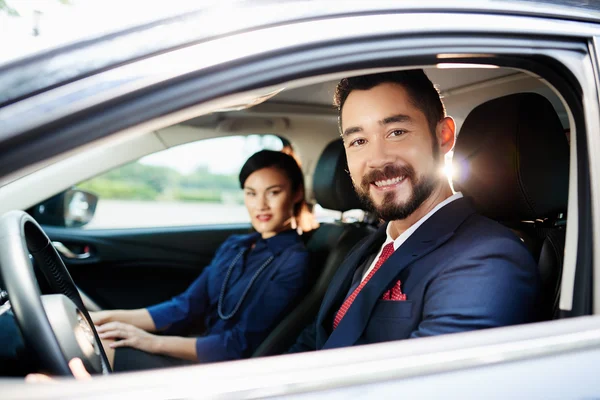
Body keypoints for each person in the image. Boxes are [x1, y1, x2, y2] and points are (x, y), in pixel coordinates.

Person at [287, 69, 541, 352]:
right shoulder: (371, 244)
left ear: (443, 136)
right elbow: (318, 337)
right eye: (359, 141)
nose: (377, 160)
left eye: (396, 132)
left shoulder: (487, 259)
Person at [25, 149, 313, 378]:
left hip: (223, 370)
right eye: (251, 193)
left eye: (273, 192)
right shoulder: (235, 245)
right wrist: (111, 317)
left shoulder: (294, 261)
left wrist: (149, 341)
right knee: (89, 335)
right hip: (194, 348)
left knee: (92, 349)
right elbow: (186, 306)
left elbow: (237, 346)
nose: (260, 204)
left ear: (296, 193)